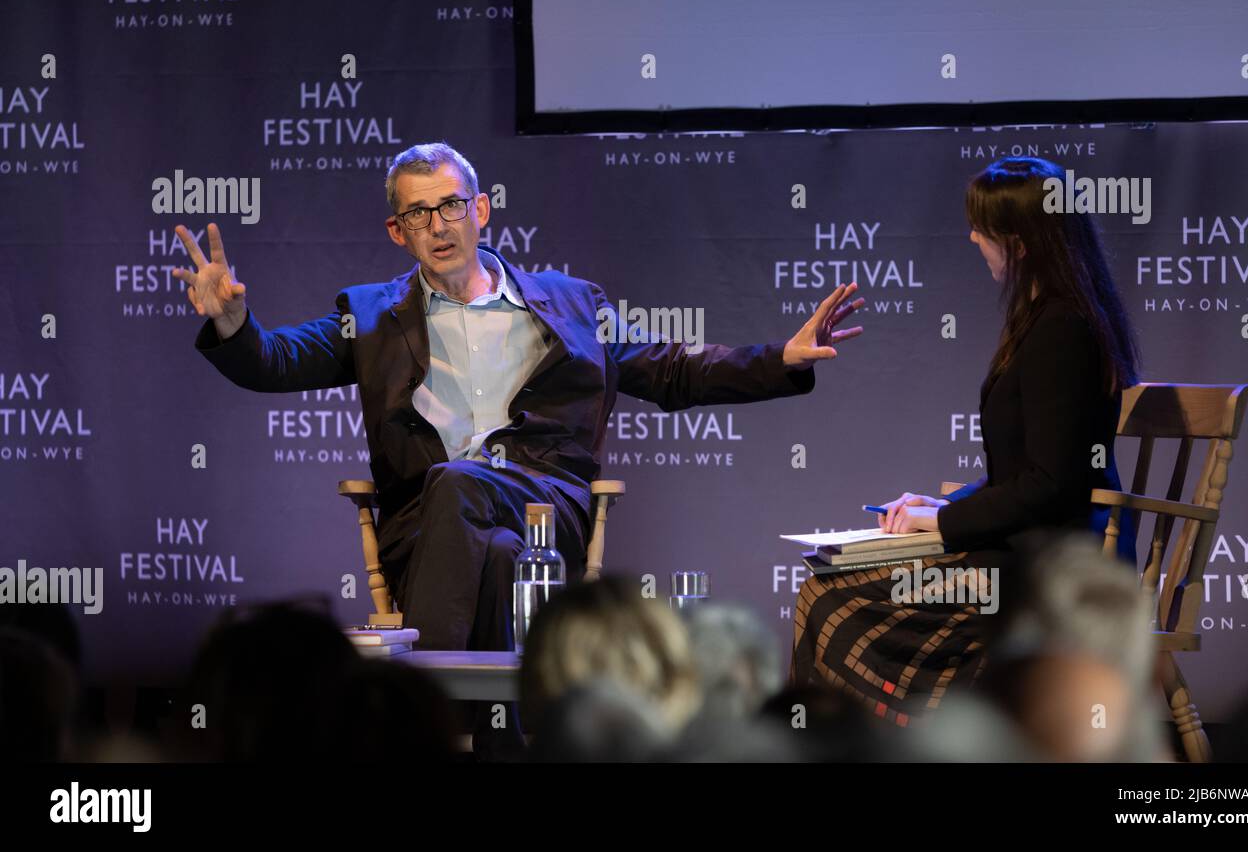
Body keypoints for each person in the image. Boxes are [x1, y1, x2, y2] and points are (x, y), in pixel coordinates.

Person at [173, 142, 864, 758]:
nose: (438, 225)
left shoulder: (568, 302)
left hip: (545, 502)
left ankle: (416, 731)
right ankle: (515, 746)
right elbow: (276, 361)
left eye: (449, 205)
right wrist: (233, 321)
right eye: (418, 214)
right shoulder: (371, 315)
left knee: (469, 490)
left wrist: (781, 359)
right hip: (427, 532)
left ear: (481, 209)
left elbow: (671, 369)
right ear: (397, 231)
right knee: (494, 548)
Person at [791, 155, 1141, 727]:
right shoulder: (1045, 319)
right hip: (1022, 551)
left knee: (828, 599)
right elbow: (1027, 470)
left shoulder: (1064, 329)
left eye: (982, 227)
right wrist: (945, 505)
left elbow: (1055, 484)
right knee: (824, 587)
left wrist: (946, 524)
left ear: (1020, 242)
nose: (971, 237)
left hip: (1048, 569)